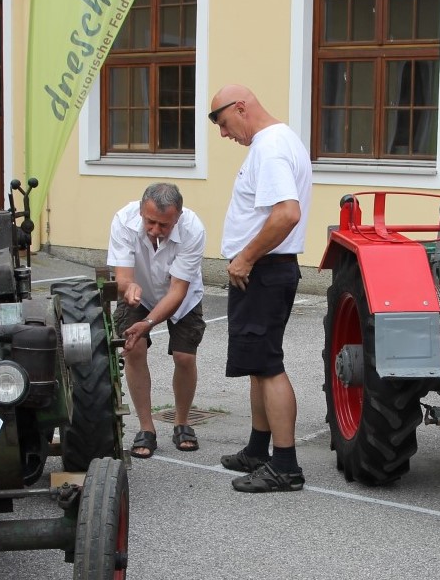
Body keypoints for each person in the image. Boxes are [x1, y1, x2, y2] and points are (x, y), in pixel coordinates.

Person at [209, 84, 313, 492]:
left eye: (223, 123)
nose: (223, 134)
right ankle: (258, 449)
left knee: (268, 366)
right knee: (258, 364)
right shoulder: (280, 140)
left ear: (241, 107)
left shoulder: (269, 148)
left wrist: (247, 257)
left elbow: (287, 213)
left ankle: (285, 466)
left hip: (265, 272)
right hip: (267, 270)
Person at [106, 182, 208, 459]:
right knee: (134, 349)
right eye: (150, 222)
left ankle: (182, 422)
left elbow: (178, 290)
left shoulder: (193, 229)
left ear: (178, 217)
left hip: (182, 296)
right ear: (141, 211)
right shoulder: (123, 221)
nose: (155, 230)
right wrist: (129, 289)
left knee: (184, 357)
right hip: (138, 291)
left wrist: (149, 322)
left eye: (164, 225)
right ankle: (146, 427)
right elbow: (123, 276)